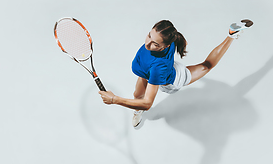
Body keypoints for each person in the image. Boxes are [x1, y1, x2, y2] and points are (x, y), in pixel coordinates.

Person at [99, 19, 253, 128]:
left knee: (207, 66)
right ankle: (136, 111)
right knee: (136, 94)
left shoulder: (158, 68)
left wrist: (114, 99)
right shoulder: (166, 38)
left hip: (173, 78)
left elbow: (148, 103)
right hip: (153, 70)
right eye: (149, 36)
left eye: (155, 44)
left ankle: (231, 34)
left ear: (165, 46)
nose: (147, 43)